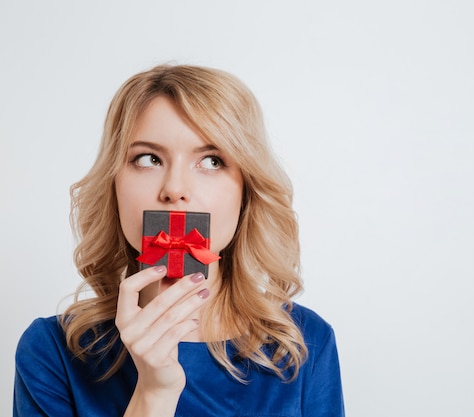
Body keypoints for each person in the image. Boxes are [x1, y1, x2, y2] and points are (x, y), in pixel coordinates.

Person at [13, 64, 344, 416]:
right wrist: (154, 393)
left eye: (212, 161)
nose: (174, 189)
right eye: (148, 159)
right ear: (114, 186)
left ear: (246, 191)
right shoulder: (52, 352)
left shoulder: (304, 345)